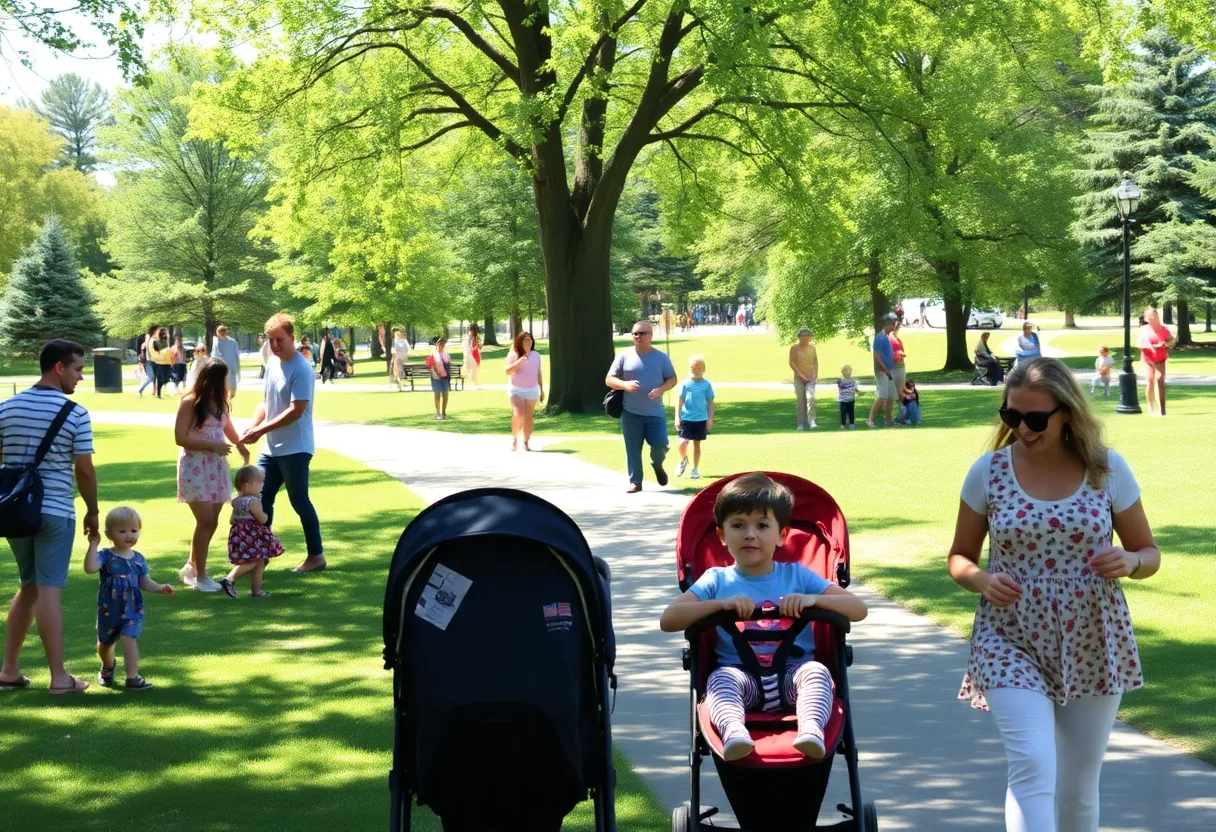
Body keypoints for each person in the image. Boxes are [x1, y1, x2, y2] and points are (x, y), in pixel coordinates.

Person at [948, 357, 1160, 832]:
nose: (1022, 428)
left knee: (1079, 788)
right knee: (1033, 766)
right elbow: (959, 557)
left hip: (1092, 635)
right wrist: (980, 579)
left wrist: (1131, 561)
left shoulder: (1106, 469)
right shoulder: (988, 472)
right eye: (1011, 416)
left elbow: (1149, 551)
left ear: (1068, 413)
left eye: (1036, 418)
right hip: (1009, 635)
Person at [660, 473, 868, 761]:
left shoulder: (798, 576)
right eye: (738, 525)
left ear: (782, 535)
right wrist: (721, 605)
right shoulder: (716, 581)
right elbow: (669, 619)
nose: (750, 534)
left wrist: (814, 600)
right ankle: (734, 731)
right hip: (742, 679)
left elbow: (858, 610)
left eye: (762, 525)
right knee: (720, 680)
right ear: (721, 535)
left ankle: (810, 729)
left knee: (818, 673)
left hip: (793, 675)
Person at [0, 340, 97, 695]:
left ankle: (9, 670)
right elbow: (85, 471)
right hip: (55, 510)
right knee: (49, 591)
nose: (80, 377)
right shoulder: (75, 413)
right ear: (58, 367)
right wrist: (93, 510)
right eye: (77, 369)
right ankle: (59, 678)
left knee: (28, 587)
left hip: (15, 512)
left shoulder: (6, 408)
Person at [240, 313, 326, 574]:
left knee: (299, 500)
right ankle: (260, 555)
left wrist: (260, 430)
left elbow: (295, 410)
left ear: (292, 337)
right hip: (271, 447)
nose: (275, 345)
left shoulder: (301, 368)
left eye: (279, 340)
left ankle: (316, 556)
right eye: (270, 340)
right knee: (259, 499)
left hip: (296, 447)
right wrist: (254, 425)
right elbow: (266, 402)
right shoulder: (273, 363)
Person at [175, 357, 248, 592]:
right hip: (196, 467)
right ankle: (201, 576)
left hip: (215, 467)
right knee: (205, 521)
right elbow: (180, 437)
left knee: (211, 521)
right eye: (224, 379)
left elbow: (227, 427)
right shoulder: (190, 403)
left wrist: (240, 445)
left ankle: (192, 566)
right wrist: (211, 446)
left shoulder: (219, 403)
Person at [85, 506, 174, 690]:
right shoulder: (106, 556)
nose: (129, 535)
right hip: (109, 609)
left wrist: (159, 588)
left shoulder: (138, 559)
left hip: (132, 608)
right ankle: (107, 668)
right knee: (104, 644)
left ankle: (132, 677)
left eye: (134, 530)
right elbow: (90, 568)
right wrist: (93, 544)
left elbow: (143, 582)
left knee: (129, 638)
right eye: (122, 531)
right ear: (109, 534)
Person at [605, 321, 677, 493]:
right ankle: (635, 482)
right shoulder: (624, 356)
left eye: (642, 333)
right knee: (632, 449)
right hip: (630, 412)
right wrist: (625, 385)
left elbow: (672, 379)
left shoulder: (661, 358)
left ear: (650, 336)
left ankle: (658, 465)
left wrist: (660, 390)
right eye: (635, 334)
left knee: (660, 444)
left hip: (655, 412)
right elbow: (609, 379)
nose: (638, 336)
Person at [219, 465, 284, 599]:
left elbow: (232, 520)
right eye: (260, 482)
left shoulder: (237, 501)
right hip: (253, 536)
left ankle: (256, 591)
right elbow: (262, 519)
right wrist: (265, 516)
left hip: (239, 535)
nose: (262, 484)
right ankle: (229, 579)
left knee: (259, 562)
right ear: (247, 485)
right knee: (253, 561)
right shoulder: (254, 501)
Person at [675, 355, 714, 480]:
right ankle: (683, 460)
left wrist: (710, 418)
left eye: (698, 367)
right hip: (686, 418)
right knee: (683, 442)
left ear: (703, 369)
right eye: (693, 367)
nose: (695, 369)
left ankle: (695, 469)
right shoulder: (685, 384)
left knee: (697, 445)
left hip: (701, 419)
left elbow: (710, 402)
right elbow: (680, 401)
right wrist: (677, 417)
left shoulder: (706, 385)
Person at [505, 331, 544, 451]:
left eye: (530, 340)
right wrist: (520, 361)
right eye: (526, 340)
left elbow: (538, 373)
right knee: (518, 413)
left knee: (528, 417)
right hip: (516, 389)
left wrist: (541, 389)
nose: (528, 342)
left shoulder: (536, 355)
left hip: (532, 389)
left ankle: (526, 441)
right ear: (520, 342)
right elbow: (508, 371)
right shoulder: (513, 354)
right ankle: (515, 437)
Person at [1138, 307, 1174, 417]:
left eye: (1154, 316)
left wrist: (1165, 344)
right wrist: (1150, 347)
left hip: (1160, 359)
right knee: (1150, 380)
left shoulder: (1164, 329)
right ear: (1146, 318)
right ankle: (1151, 408)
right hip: (1148, 358)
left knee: (1159, 379)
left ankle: (1163, 409)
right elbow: (1139, 344)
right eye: (1149, 317)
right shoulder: (1143, 330)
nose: (1152, 318)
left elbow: (1171, 342)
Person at [867, 313, 898, 428]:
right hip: (882, 371)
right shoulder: (880, 337)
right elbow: (876, 355)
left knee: (891, 396)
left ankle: (889, 420)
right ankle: (870, 420)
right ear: (887, 325)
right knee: (882, 395)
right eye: (892, 325)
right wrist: (885, 369)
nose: (894, 327)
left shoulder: (885, 337)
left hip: (888, 370)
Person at [788, 327, 819, 431]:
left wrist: (814, 375)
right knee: (801, 400)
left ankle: (812, 421)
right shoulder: (794, 348)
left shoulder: (812, 348)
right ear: (799, 337)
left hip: (811, 378)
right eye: (803, 336)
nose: (806, 338)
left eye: (807, 335)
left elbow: (815, 362)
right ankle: (800, 423)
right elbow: (792, 363)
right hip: (799, 378)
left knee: (811, 398)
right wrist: (802, 376)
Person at [213, 325, 242, 398]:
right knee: (223, 392)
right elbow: (214, 358)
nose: (222, 335)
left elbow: (237, 356)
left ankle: (229, 404)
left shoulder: (233, 342)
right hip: (221, 371)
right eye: (220, 333)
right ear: (217, 333)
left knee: (233, 391)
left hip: (232, 369)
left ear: (226, 332)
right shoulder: (216, 343)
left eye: (223, 333)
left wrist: (239, 371)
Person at [427, 337, 452, 421]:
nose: (442, 345)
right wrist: (435, 374)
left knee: (445, 394)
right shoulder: (432, 355)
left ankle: (444, 412)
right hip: (436, 377)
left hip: (444, 377)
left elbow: (448, 365)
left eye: (443, 344)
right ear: (437, 345)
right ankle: (438, 413)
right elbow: (430, 366)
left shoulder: (446, 355)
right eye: (440, 344)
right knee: (437, 395)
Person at [148, 327, 172, 399]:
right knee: (160, 379)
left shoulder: (166, 343)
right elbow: (156, 353)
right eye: (163, 333)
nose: (164, 335)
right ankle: (159, 394)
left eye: (165, 333)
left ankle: (164, 393)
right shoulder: (156, 343)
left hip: (167, 363)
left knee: (166, 379)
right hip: (160, 363)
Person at [136, 324, 157, 397]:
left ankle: (156, 392)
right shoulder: (148, 338)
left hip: (153, 360)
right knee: (151, 377)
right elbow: (144, 346)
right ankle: (140, 391)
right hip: (148, 361)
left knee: (154, 377)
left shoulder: (154, 338)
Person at [837, 365, 859, 430]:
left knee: (851, 412)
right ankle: (843, 424)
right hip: (843, 400)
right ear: (843, 372)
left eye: (849, 371)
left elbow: (855, 389)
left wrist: (856, 391)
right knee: (843, 413)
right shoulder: (840, 381)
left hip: (851, 400)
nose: (848, 373)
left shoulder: (854, 381)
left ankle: (852, 424)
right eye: (846, 371)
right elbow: (839, 384)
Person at [889, 320, 907, 395]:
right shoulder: (890, 338)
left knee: (900, 388)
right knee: (894, 389)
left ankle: (902, 405)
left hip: (900, 365)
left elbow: (902, 352)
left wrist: (900, 354)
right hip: (894, 366)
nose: (897, 328)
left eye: (898, 326)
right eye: (896, 326)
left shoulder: (898, 340)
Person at [463, 324, 482, 389]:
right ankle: (475, 385)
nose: (468, 331)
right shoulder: (467, 338)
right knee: (467, 371)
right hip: (468, 356)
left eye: (470, 329)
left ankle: (477, 386)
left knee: (472, 373)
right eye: (468, 329)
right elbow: (466, 348)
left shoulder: (476, 337)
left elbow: (477, 347)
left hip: (474, 356)